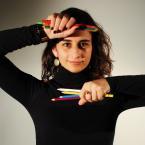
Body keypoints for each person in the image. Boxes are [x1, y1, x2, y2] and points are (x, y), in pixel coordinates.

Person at [0, 7, 145, 145]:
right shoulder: (35, 93)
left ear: (92, 48)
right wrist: (39, 31)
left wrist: (110, 84)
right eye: (66, 44)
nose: (76, 54)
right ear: (54, 50)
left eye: (83, 44)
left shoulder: (109, 94)